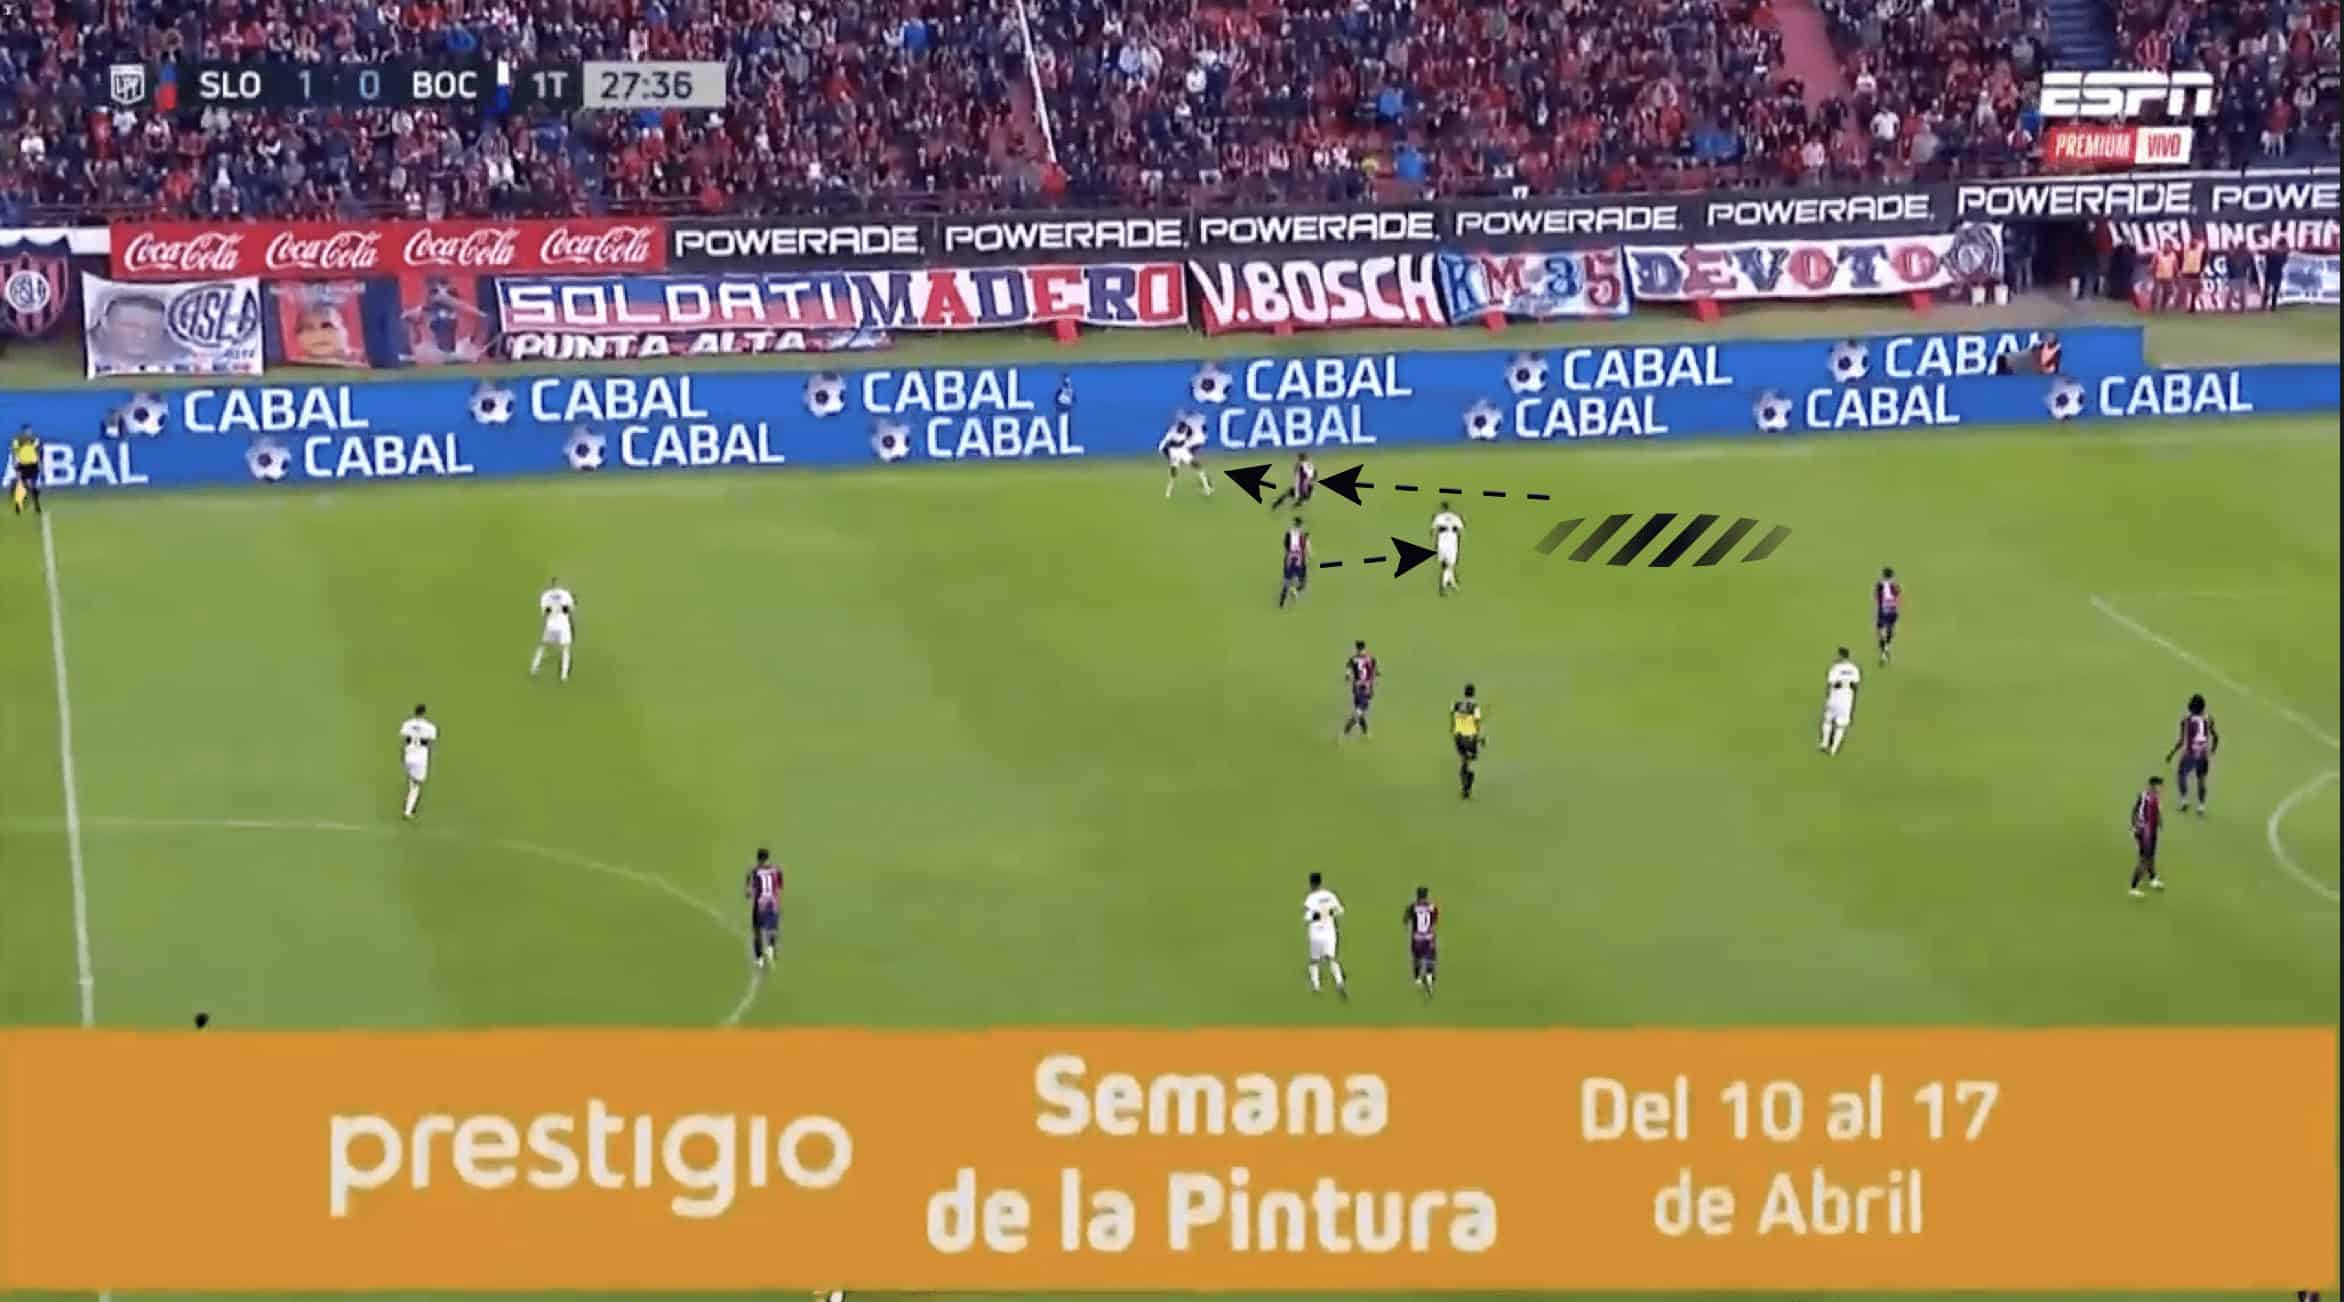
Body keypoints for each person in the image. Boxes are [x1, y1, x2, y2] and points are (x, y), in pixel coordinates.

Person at [2165, 693, 2219, 815]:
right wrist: (2212, 751)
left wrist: (2172, 753)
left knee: (2181, 774)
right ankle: (2201, 806)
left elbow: (2181, 741)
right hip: (2203, 755)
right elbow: (2216, 737)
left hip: (2190, 754)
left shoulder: (2186, 719)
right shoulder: (2209, 719)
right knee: (2201, 779)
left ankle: (2184, 800)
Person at [1301, 871, 1348, 998]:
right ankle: (1339, 982)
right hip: (1330, 933)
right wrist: (1330, 913)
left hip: (1316, 934)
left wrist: (1315, 916)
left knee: (1314, 961)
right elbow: (1340, 910)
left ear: (1311, 883)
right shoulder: (1330, 895)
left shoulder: (1311, 898)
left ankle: (1316, 986)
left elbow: (1307, 917)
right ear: (1320, 882)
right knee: (1331, 958)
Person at [530, 578, 577, 682]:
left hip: (551, 626)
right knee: (565, 649)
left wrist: (553, 609)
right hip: (563, 626)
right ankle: (564, 675)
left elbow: (545, 612)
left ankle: (534, 667)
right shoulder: (566, 594)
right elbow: (570, 609)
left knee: (543, 647)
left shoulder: (545, 596)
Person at [745, 849, 784, 969]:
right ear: (768, 858)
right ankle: (771, 949)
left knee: (757, 931)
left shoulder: (753, 870)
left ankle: (759, 959)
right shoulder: (776, 869)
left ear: (758, 858)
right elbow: (780, 886)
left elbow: (748, 891)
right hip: (772, 904)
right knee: (772, 930)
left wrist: (749, 892)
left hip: (760, 905)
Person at [398, 704, 438, 820]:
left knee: (412, 780)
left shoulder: (407, 723)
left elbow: (403, 738)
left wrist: (403, 754)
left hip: (409, 753)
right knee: (416, 785)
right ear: (424, 713)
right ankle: (408, 811)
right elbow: (431, 741)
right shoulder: (430, 726)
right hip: (420, 755)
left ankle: (409, 800)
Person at [1819, 648, 1861, 756]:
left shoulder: (1836, 667)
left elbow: (1830, 682)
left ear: (1841, 655)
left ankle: (1824, 743)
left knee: (1827, 719)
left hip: (1836, 695)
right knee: (1841, 724)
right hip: (1847, 696)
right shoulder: (1854, 668)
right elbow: (1856, 684)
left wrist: (1828, 696)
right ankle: (1833, 749)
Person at [2129, 775, 2166, 897]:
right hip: (2144, 831)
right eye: (2159, 786)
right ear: (2153, 785)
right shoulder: (2145, 797)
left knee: (2151, 856)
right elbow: (2135, 810)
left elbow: (2157, 812)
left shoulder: (2155, 797)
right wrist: (2134, 826)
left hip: (2152, 831)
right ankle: (2133, 887)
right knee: (2144, 859)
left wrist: (2160, 822)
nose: (2161, 788)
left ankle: (2153, 878)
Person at [1402, 886, 1439, 998]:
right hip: (1429, 938)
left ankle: (1418, 979)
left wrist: (1408, 925)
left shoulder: (1412, 907)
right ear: (1427, 895)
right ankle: (1429, 978)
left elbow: (1405, 920)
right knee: (1430, 960)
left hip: (1417, 938)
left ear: (1417, 895)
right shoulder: (1432, 907)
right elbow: (1434, 922)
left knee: (1417, 959)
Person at [1451, 684, 1484, 798]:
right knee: (1469, 763)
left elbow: (1453, 721)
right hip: (1470, 738)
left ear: (1464, 692)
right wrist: (1481, 737)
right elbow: (1477, 724)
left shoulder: (1456, 704)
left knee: (1464, 760)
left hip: (1458, 737)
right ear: (1473, 693)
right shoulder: (1475, 707)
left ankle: (1464, 785)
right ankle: (1467, 787)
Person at [1342, 640, 1377, 736]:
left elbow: (1348, 671)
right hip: (1363, 689)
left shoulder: (1353, 659)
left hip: (1359, 689)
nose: (1360, 651)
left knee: (1360, 711)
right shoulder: (1370, 659)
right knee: (1361, 709)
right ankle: (1350, 723)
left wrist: (1347, 675)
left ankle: (1365, 732)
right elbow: (1374, 673)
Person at [1431, 500, 1465, 595]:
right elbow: (1461, 529)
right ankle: (1447, 584)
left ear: (1442, 508)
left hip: (1442, 538)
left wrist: (1433, 544)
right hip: (1452, 538)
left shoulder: (1439, 516)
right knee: (1450, 563)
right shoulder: (1455, 516)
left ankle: (1449, 583)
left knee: (1447, 564)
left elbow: (1433, 530)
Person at [1278, 518, 1309, 608]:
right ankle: (1295, 590)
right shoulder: (1302, 535)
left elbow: (1286, 545)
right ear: (1300, 525)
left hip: (1289, 559)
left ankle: (1282, 601)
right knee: (1303, 582)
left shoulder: (1289, 533)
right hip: (1299, 559)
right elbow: (1303, 548)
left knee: (1287, 581)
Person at [1874, 567, 1901, 664]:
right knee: (1891, 628)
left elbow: (1876, 596)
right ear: (1892, 575)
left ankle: (1883, 652)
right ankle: (1887, 647)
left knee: (1879, 630)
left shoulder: (1879, 584)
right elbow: (1898, 594)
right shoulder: (1895, 584)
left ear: (1883, 575)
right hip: (1893, 610)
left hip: (1883, 610)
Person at [10, 424, 39, 514]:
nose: (28, 432)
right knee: (21, 484)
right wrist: (14, 461)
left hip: (33, 464)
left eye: (30, 431)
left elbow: (37, 452)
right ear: (23, 431)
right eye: (27, 431)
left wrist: (39, 463)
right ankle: (18, 504)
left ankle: (36, 503)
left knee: (32, 485)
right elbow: (14, 451)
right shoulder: (17, 440)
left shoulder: (35, 440)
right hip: (22, 464)